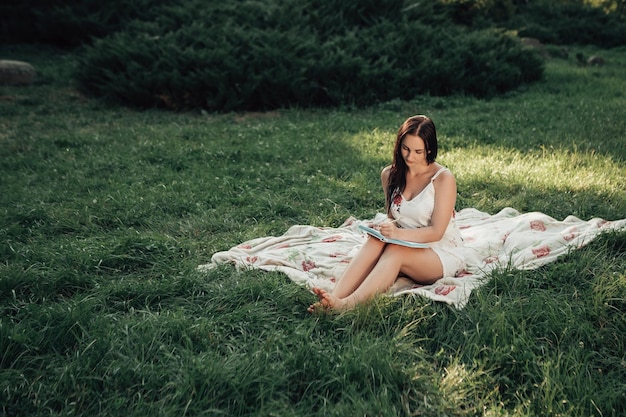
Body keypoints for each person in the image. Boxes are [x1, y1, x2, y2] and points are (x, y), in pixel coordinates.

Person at [308, 115, 466, 312]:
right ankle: (333, 298)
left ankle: (347, 306)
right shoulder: (389, 175)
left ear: (429, 150)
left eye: (418, 151)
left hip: (439, 250)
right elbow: (394, 217)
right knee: (376, 239)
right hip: (404, 241)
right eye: (405, 149)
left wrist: (398, 235)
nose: (410, 157)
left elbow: (436, 232)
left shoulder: (443, 179)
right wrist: (389, 227)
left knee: (395, 250)